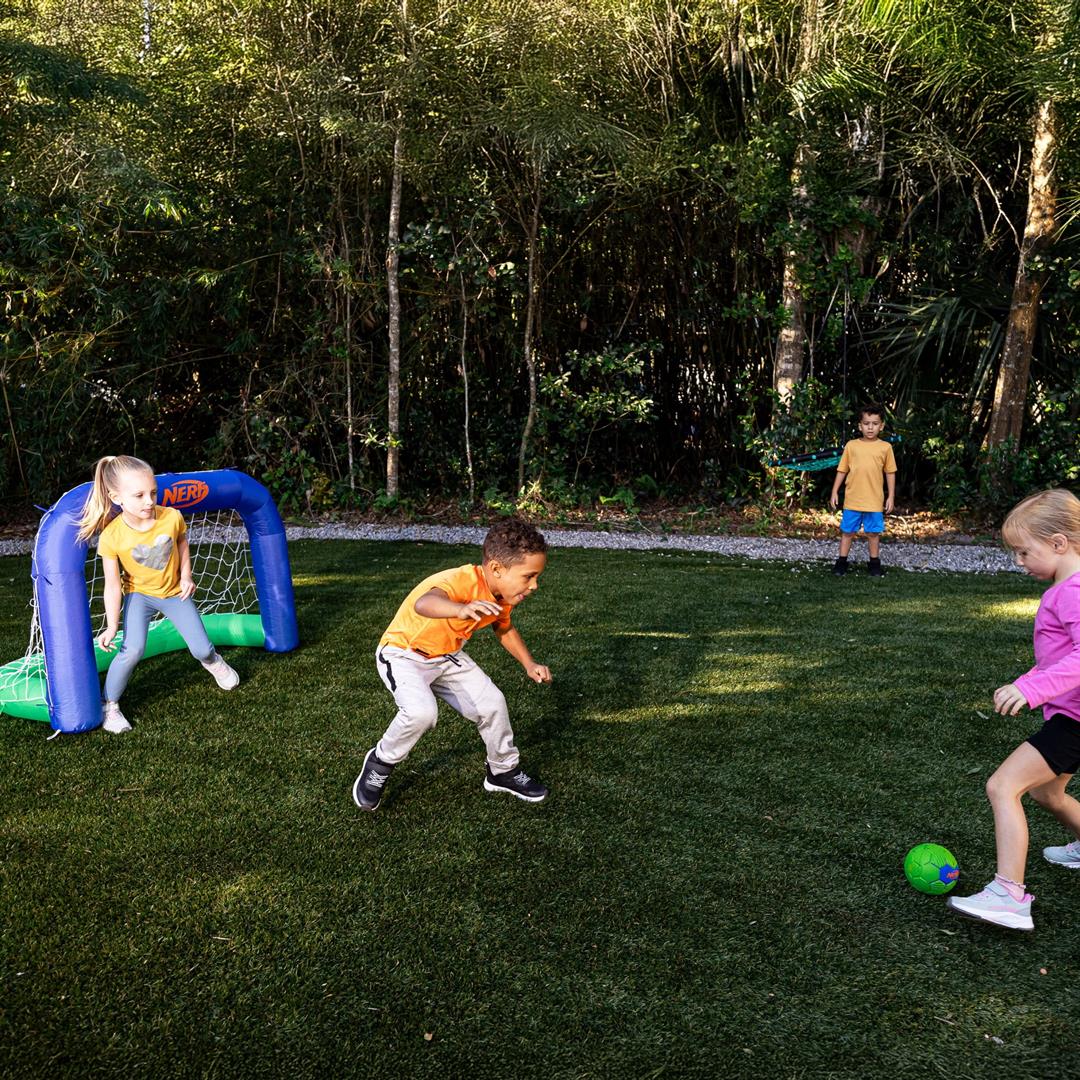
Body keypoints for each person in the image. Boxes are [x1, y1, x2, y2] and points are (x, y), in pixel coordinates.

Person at [946, 489, 1080, 931]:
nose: (1019, 561)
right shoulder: (1065, 589)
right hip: (1070, 716)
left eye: (1024, 552)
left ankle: (1009, 896)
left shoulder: (1073, 592)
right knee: (1048, 794)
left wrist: (1031, 689)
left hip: (1074, 721)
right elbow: (1060, 658)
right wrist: (1029, 682)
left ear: (1058, 543)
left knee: (1003, 786)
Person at [352, 518, 551, 811]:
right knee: (421, 712)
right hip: (404, 654)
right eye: (529, 576)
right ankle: (381, 761)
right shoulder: (460, 580)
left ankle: (502, 770)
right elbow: (424, 603)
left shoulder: (503, 596)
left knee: (493, 704)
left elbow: (504, 627)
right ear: (497, 568)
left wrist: (529, 663)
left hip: (446, 655)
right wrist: (461, 608)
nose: (534, 585)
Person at [77, 455, 239, 734]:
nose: (149, 501)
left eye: (153, 492)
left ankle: (213, 662)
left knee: (202, 649)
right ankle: (110, 705)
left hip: (174, 593)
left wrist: (186, 575)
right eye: (139, 495)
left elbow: (181, 543)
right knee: (132, 650)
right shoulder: (112, 536)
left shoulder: (171, 517)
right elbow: (112, 585)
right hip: (139, 596)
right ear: (117, 498)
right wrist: (112, 625)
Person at [829, 404, 897, 577]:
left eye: (875, 424)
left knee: (873, 533)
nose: (870, 427)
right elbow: (842, 470)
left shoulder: (885, 447)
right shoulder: (851, 446)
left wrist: (891, 496)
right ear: (860, 426)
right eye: (866, 423)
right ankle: (841, 563)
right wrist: (834, 491)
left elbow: (890, 472)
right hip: (853, 499)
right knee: (847, 532)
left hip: (874, 500)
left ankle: (874, 564)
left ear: (881, 426)